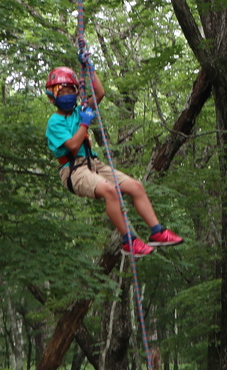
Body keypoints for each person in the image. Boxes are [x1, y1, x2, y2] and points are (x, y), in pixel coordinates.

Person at [44, 66, 183, 256]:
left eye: (70, 90)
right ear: (52, 97)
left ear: (76, 92)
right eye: (62, 91)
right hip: (73, 170)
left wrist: (89, 70)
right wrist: (85, 122)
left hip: (93, 164)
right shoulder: (55, 121)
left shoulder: (79, 111)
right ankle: (128, 241)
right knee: (110, 191)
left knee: (136, 186)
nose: (67, 95)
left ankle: (157, 231)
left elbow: (100, 93)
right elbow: (74, 146)